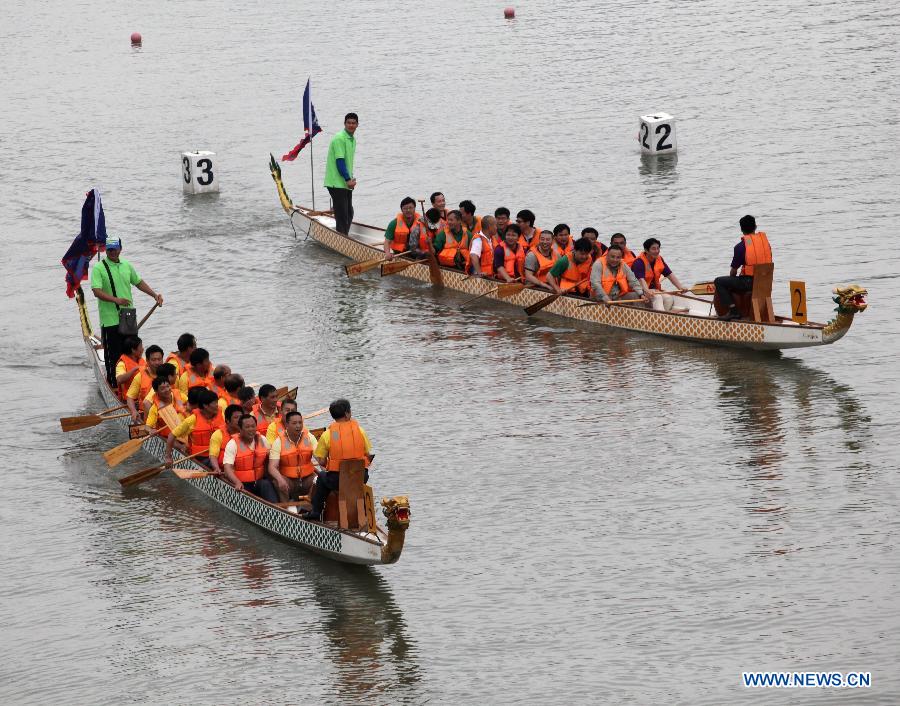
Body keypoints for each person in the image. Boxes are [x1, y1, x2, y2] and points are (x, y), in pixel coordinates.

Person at [90, 237, 164, 387]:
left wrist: (154, 295)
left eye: (114, 249)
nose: (112, 252)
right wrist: (116, 300)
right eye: (109, 249)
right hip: (110, 320)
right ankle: (114, 386)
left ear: (120, 249)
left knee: (133, 354)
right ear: (106, 250)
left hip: (128, 319)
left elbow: (138, 282)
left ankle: (137, 385)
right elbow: (96, 291)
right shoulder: (99, 268)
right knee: (114, 357)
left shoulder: (126, 265)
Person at [302, 399, 373, 521]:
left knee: (322, 477)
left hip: (337, 480)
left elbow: (321, 461)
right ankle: (363, 514)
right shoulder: (360, 431)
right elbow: (368, 453)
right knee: (360, 475)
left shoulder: (327, 435)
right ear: (347, 414)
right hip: (360, 477)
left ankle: (316, 511)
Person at [713, 215, 773, 320]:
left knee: (719, 281)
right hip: (766, 281)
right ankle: (763, 314)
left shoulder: (741, 246)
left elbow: (733, 271)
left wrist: (731, 279)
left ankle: (733, 311)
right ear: (755, 226)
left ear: (741, 229)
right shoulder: (766, 244)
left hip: (749, 282)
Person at [221, 415, 278, 503]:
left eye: (253, 426)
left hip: (259, 481)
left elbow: (271, 458)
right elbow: (227, 468)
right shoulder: (232, 444)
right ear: (240, 429)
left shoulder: (262, 439)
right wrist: (237, 482)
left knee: (266, 484)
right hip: (242, 483)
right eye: (247, 427)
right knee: (244, 489)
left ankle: (276, 507)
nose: (251, 429)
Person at [268, 410, 319, 506]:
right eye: (294, 423)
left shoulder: (309, 437)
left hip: (307, 478)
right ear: (287, 425)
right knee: (278, 482)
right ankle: (287, 509)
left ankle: (311, 506)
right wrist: (280, 479)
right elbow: (272, 467)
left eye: (300, 423)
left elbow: (320, 459)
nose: (298, 426)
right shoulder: (278, 442)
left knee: (320, 480)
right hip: (288, 480)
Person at [165, 388, 225, 467]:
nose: (217, 405)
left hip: (220, 452)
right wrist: (168, 457)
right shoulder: (192, 420)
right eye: (214, 403)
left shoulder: (220, 414)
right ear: (205, 406)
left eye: (217, 402)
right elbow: (171, 435)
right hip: (202, 457)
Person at [324, 112, 359, 235]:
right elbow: (340, 161)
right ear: (344, 124)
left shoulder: (352, 139)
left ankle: (344, 236)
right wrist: (348, 179)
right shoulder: (340, 138)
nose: (351, 125)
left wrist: (350, 179)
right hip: (336, 182)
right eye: (348, 123)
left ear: (357, 125)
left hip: (345, 182)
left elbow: (348, 162)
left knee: (349, 213)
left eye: (353, 123)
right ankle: (341, 238)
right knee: (342, 214)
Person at [631, 238, 688, 311]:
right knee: (657, 297)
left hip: (654, 290)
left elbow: (670, 275)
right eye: (653, 249)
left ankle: (663, 317)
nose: (657, 251)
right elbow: (641, 280)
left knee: (668, 298)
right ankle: (660, 317)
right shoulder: (639, 262)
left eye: (658, 248)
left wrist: (680, 287)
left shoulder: (659, 259)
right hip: (640, 291)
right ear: (646, 250)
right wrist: (647, 290)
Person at [145, 376, 188, 451]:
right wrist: (151, 431)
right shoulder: (155, 408)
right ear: (156, 391)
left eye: (168, 386)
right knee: (172, 438)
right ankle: (181, 448)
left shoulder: (180, 396)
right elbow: (147, 427)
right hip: (169, 437)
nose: (167, 390)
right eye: (162, 388)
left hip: (184, 432)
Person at [125, 344, 164, 422]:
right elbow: (130, 398)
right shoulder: (140, 376)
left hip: (164, 413)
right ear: (147, 361)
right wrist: (133, 411)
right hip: (146, 414)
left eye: (159, 359)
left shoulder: (168, 374)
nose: (157, 363)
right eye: (153, 360)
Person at [209, 403, 244, 475]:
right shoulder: (218, 434)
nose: (239, 420)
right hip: (223, 470)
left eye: (241, 417)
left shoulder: (247, 432)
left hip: (241, 471)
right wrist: (216, 468)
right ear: (228, 420)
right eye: (236, 417)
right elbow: (213, 455)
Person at [114, 335, 145, 403]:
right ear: (133, 350)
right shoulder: (122, 364)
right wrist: (135, 369)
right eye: (140, 347)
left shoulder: (141, 360)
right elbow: (119, 380)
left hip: (143, 397)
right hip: (129, 400)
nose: (143, 349)